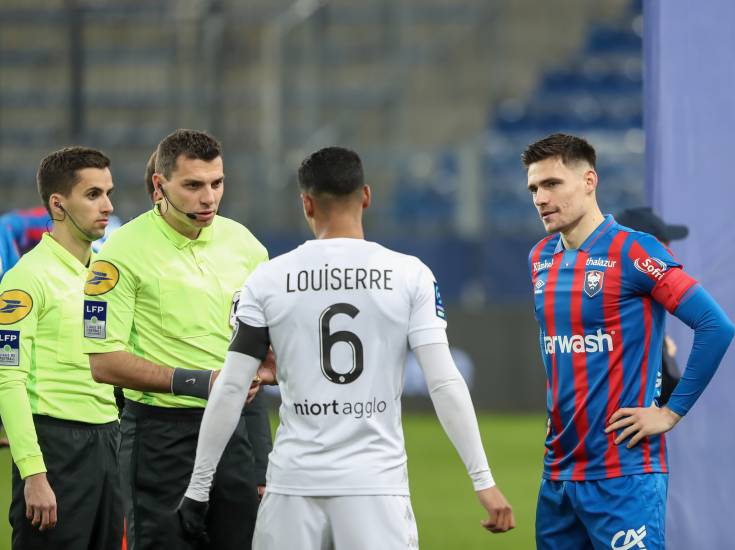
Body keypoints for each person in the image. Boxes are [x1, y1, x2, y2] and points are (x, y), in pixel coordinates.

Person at [177, 146, 514, 549]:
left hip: (293, 487)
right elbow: (443, 381)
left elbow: (231, 387)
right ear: (366, 196)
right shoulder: (410, 275)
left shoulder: (267, 280)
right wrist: (483, 480)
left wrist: (198, 488)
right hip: (376, 488)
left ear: (306, 202)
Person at [522, 133, 735, 549]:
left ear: (589, 181)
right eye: (533, 188)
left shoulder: (635, 251)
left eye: (552, 184)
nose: (540, 198)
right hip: (559, 477)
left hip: (625, 476)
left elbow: (715, 325)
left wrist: (671, 413)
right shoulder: (539, 259)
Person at [82, 129, 272, 550]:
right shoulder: (118, 254)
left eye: (216, 183)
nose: (208, 198)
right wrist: (201, 381)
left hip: (233, 437)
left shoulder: (247, 248)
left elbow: (255, 361)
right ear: (159, 185)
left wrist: (261, 464)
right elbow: (104, 363)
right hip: (159, 440)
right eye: (193, 185)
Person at [0, 146, 121, 549]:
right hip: (56, 450)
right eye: (93, 194)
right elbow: (8, 379)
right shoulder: (25, 280)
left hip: (110, 444)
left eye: (108, 192)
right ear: (58, 204)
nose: (107, 205)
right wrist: (34, 474)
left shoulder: (104, 277)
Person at [615, 207, 689, 405]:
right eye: (663, 248)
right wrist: (664, 353)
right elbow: (666, 388)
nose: (669, 257)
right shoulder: (634, 309)